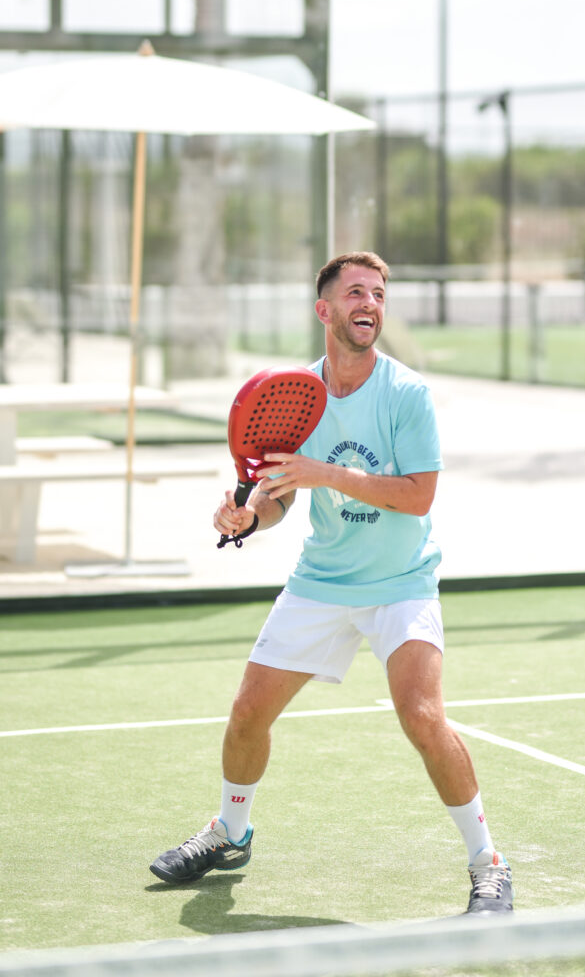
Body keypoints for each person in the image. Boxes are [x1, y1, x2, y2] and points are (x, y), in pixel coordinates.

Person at [149, 251, 513, 915]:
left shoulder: (406, 393)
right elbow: (280, 496)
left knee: (422, 716)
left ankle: (487, 863)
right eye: (354, 293)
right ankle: (230, 832)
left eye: (377, 293)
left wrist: (331, 475)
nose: (368, 303)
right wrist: (246, 517)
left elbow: (418, 496)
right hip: (321, 580)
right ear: (325, 310)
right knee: (246, 714)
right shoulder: (297, 396)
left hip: (401, 582)